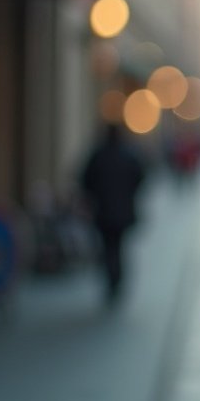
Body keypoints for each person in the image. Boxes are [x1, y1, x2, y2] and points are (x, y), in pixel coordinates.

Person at [79, 123, 146, 305]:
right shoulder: (128, 155)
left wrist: (96, 196)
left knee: (109, 247)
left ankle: (112, 279)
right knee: (118, 247)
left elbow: (85, 180)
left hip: (103, 212)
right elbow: (140, 176)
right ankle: (117, 279)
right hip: (123, 211)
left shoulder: (98, 155)